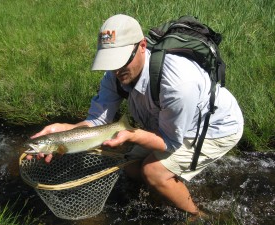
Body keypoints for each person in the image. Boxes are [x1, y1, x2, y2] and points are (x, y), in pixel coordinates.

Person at [27, 14, 244, 219]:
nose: (116, 71)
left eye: (121, 60)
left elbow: (169, 142)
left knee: (153, 171)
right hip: (168, 124)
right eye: (110, 62)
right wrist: (64, 130)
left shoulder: (178, 84)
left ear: (142, 46)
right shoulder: (116, 73)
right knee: (130, 167)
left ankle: (196, 216)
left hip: (215, 128)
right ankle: (165, 190)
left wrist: (130, 135)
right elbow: (97, 121)